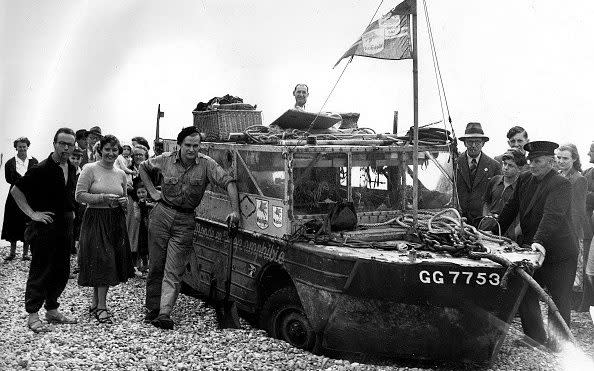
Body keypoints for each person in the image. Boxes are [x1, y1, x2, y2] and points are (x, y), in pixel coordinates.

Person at [140, 126, 240, 329]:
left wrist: (235, 211)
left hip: (185, 221)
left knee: (174, 268)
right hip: (161, 215)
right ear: (179, 145)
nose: (192, 150)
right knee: (157, 264)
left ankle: (165, 313)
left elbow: (229, 182)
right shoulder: (165, 159)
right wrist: (152, 191)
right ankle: (153, 308)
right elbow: (143, 167)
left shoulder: (206, 164)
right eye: (188, 145)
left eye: (196, 146)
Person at [498, 141, 578, 348]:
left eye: (538, 161)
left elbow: (552, 215)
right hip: (534, 250)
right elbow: (511, 208)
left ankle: (558, 343)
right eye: (530, 161)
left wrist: (538, 241)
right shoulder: (524, 179)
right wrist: (493, 229)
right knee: (523, 291)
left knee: (559, 298)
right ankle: (534, 337)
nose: (532, 165)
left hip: (559, 253)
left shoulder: (561, 184)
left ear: (551, 162)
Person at [10, 128, 78, 332]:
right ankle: (33, 315)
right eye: (62, 143)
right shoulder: (41, 168)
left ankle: (52, 309)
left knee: (61, 270)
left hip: (64, 226)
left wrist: (71, 212)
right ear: (54, 143)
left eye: (70, 144)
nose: (66, 147)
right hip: (44, 227)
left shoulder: (72, 168)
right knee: (41, 269)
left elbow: (67, 194)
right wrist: (32, 214)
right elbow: (16, 190)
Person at [75, 134, 133, 324]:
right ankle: (102, 307)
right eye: (107, 149)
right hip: (95, 218)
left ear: (119, 152)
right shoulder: (89, 169)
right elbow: (79, 196)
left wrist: (124, 202)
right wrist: (102, 198)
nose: (110, 153)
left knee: (107, 260)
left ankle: (95, 302)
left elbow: (123, 197)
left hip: (114, 220)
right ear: (100, 150)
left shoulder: (121, 173)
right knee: (103, 260)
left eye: (114, 150)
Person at [555, 143, 591, 305]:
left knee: (572, 273)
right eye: (559, 158)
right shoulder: (558, 176)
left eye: (565, 158)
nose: (561, 161)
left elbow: (577, 212)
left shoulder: (579, 179)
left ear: (574, 159)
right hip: (557, 229)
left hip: (571, 233)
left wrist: (570, 236)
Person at [456, 122, 502, 226]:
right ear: (464, 143)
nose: (473, 146)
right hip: (458, 220)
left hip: (482, 222)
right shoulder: (454, 163)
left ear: (483, 143)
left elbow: (497, 197)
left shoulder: (495, 166)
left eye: (477, 142)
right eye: (469, 142)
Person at [2, 137, 38, 261]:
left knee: (27, 222)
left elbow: (36, 178)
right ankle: (12, 253)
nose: (22, 148)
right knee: (12, 223)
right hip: (13, 197)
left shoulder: (34, 162)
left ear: (28, 147)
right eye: (19, 146)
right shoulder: (10, 163)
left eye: (24, 146)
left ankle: (25, 253)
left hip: (29, 197)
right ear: (16, 147)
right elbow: (8, 179)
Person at [481, 148, 525, 240]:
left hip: (508, 231)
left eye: (511, 165)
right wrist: (486, 218)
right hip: (488, 228)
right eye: (504, 164)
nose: (505, 168)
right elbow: (486, 202)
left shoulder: (522, 187)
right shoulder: (495, 180)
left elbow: (523, 214)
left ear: (519, 168)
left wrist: (514, 233)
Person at [582, 142, 594, 315]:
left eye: (591, 150)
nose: (588, 153)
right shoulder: (587, 173)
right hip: (588, 227)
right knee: (589, 268)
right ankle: (587, 303)